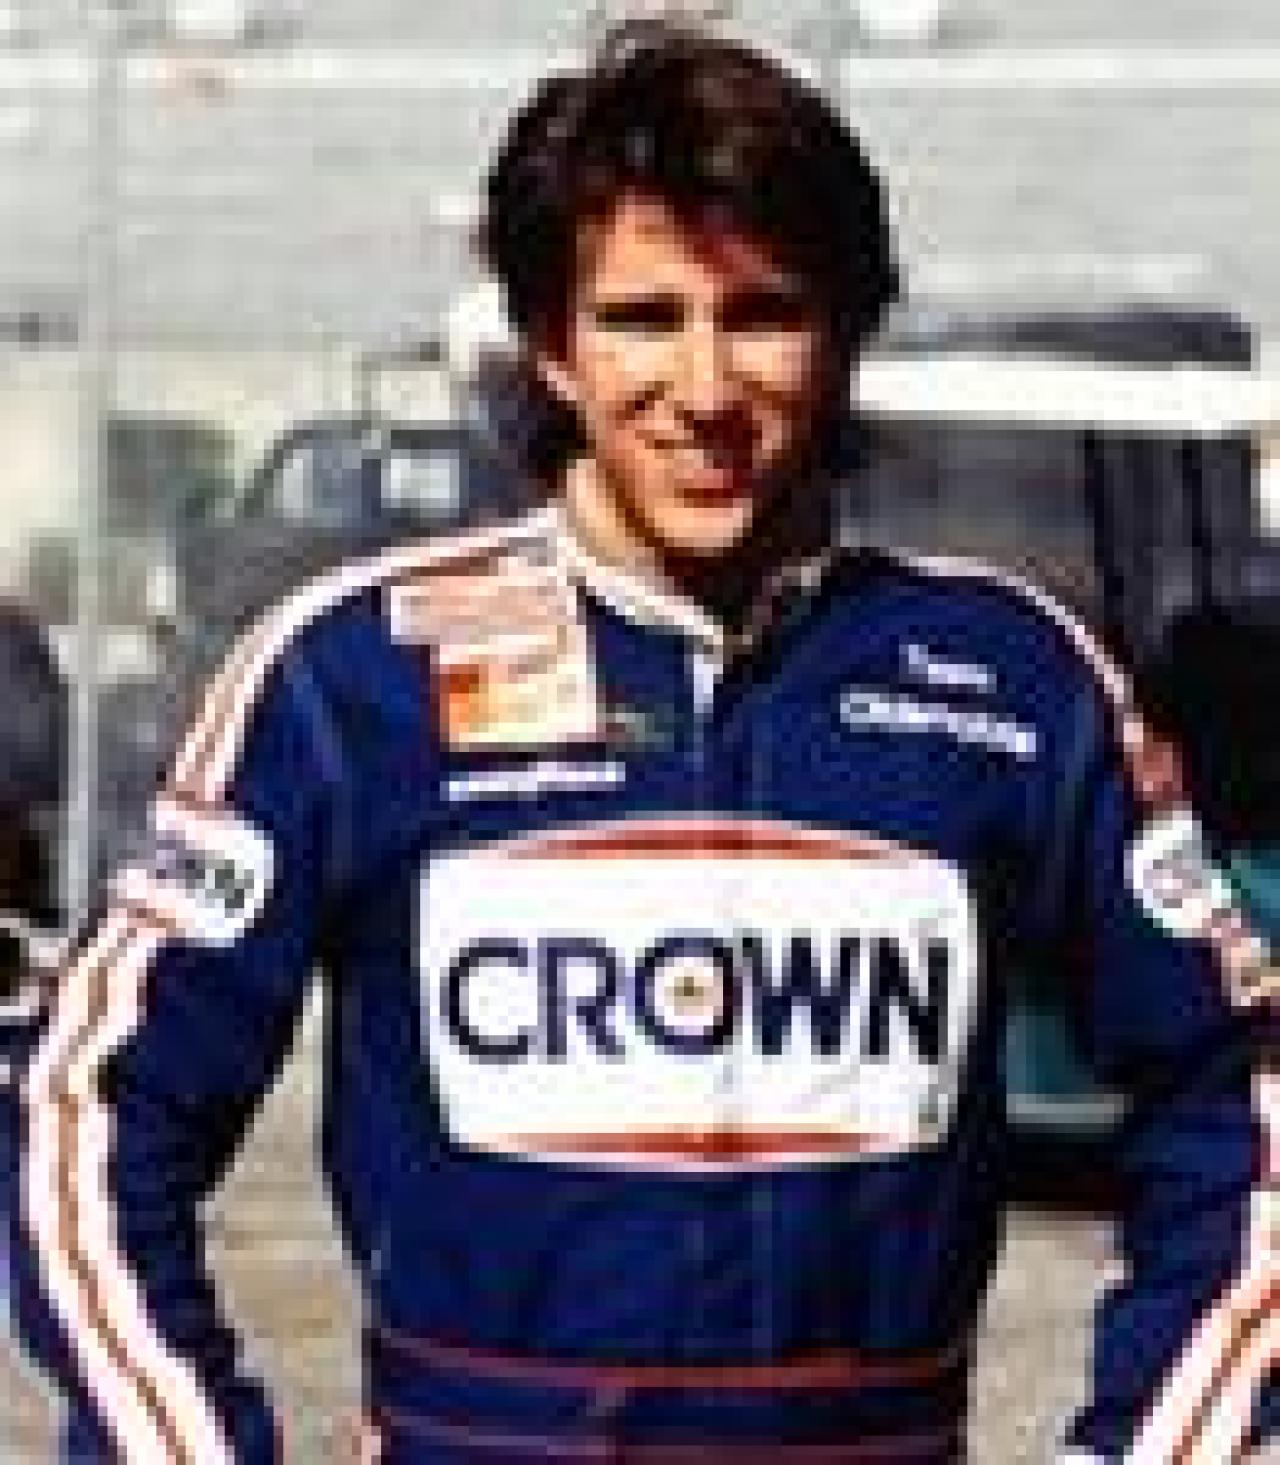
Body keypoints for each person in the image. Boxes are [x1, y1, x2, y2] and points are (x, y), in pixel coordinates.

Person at [11, 19, 1276, 1463]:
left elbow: (1239, 1100)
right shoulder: (350, 678)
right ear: (552, 344)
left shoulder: (1012, 681)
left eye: (763, 314)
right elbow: (92, 1108)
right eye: (641, 318)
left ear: (846, 333)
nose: (706, 389)